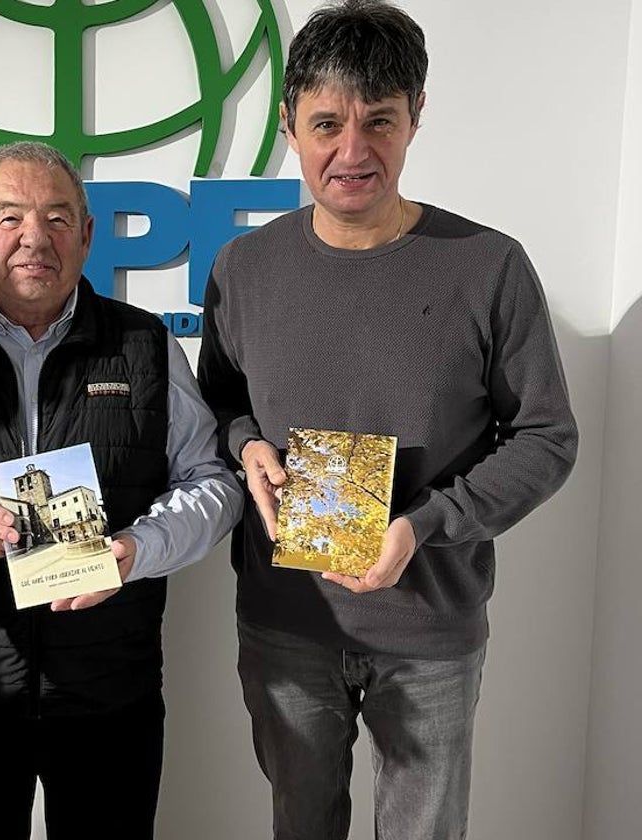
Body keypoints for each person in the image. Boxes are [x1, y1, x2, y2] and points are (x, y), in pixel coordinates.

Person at [197, 2, 579, 838]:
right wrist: (245, 444)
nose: (352, 151)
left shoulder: (489, 266)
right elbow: (220, 404)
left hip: (431, 626)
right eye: (327, 123)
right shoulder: (243, 268)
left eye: (380, 121)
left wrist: (427, 523)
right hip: (286, 620)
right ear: (290, 123)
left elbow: (548, 437)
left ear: (417, 118)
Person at [0, 140, 243, 839]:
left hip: (109, 696)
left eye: (58, 218)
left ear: (87, 235)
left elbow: (213, 485)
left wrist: (134, 549)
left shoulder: (146, 346)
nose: (35, 237)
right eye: (11, 217)